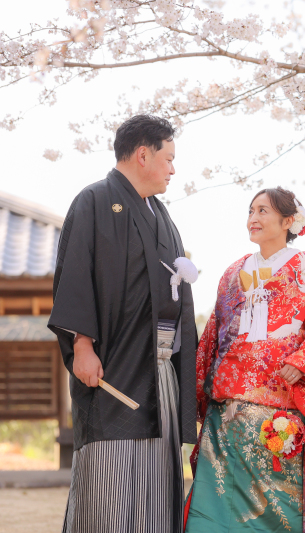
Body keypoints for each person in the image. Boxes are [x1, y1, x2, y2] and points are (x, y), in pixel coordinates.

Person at [48, 115, 198, 533]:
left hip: (160, 367)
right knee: (110, 481)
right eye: (169, 158)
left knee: (157, 481)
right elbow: (75, 274)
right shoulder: (95, 201)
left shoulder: (162, 215)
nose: (173, 168)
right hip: (114, 364)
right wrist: (81, 345)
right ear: (143, 154)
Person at [185, 187, 305, 533]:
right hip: (227, 413)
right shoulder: (233, 272)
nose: (253, 218)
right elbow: (214, 333)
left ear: (288, 221)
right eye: (251, 211)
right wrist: (200, 387)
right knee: (213, 505)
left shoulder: (304, 270)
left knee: (276, 508)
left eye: (263, 211)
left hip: (276, 414)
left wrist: (304, 360)